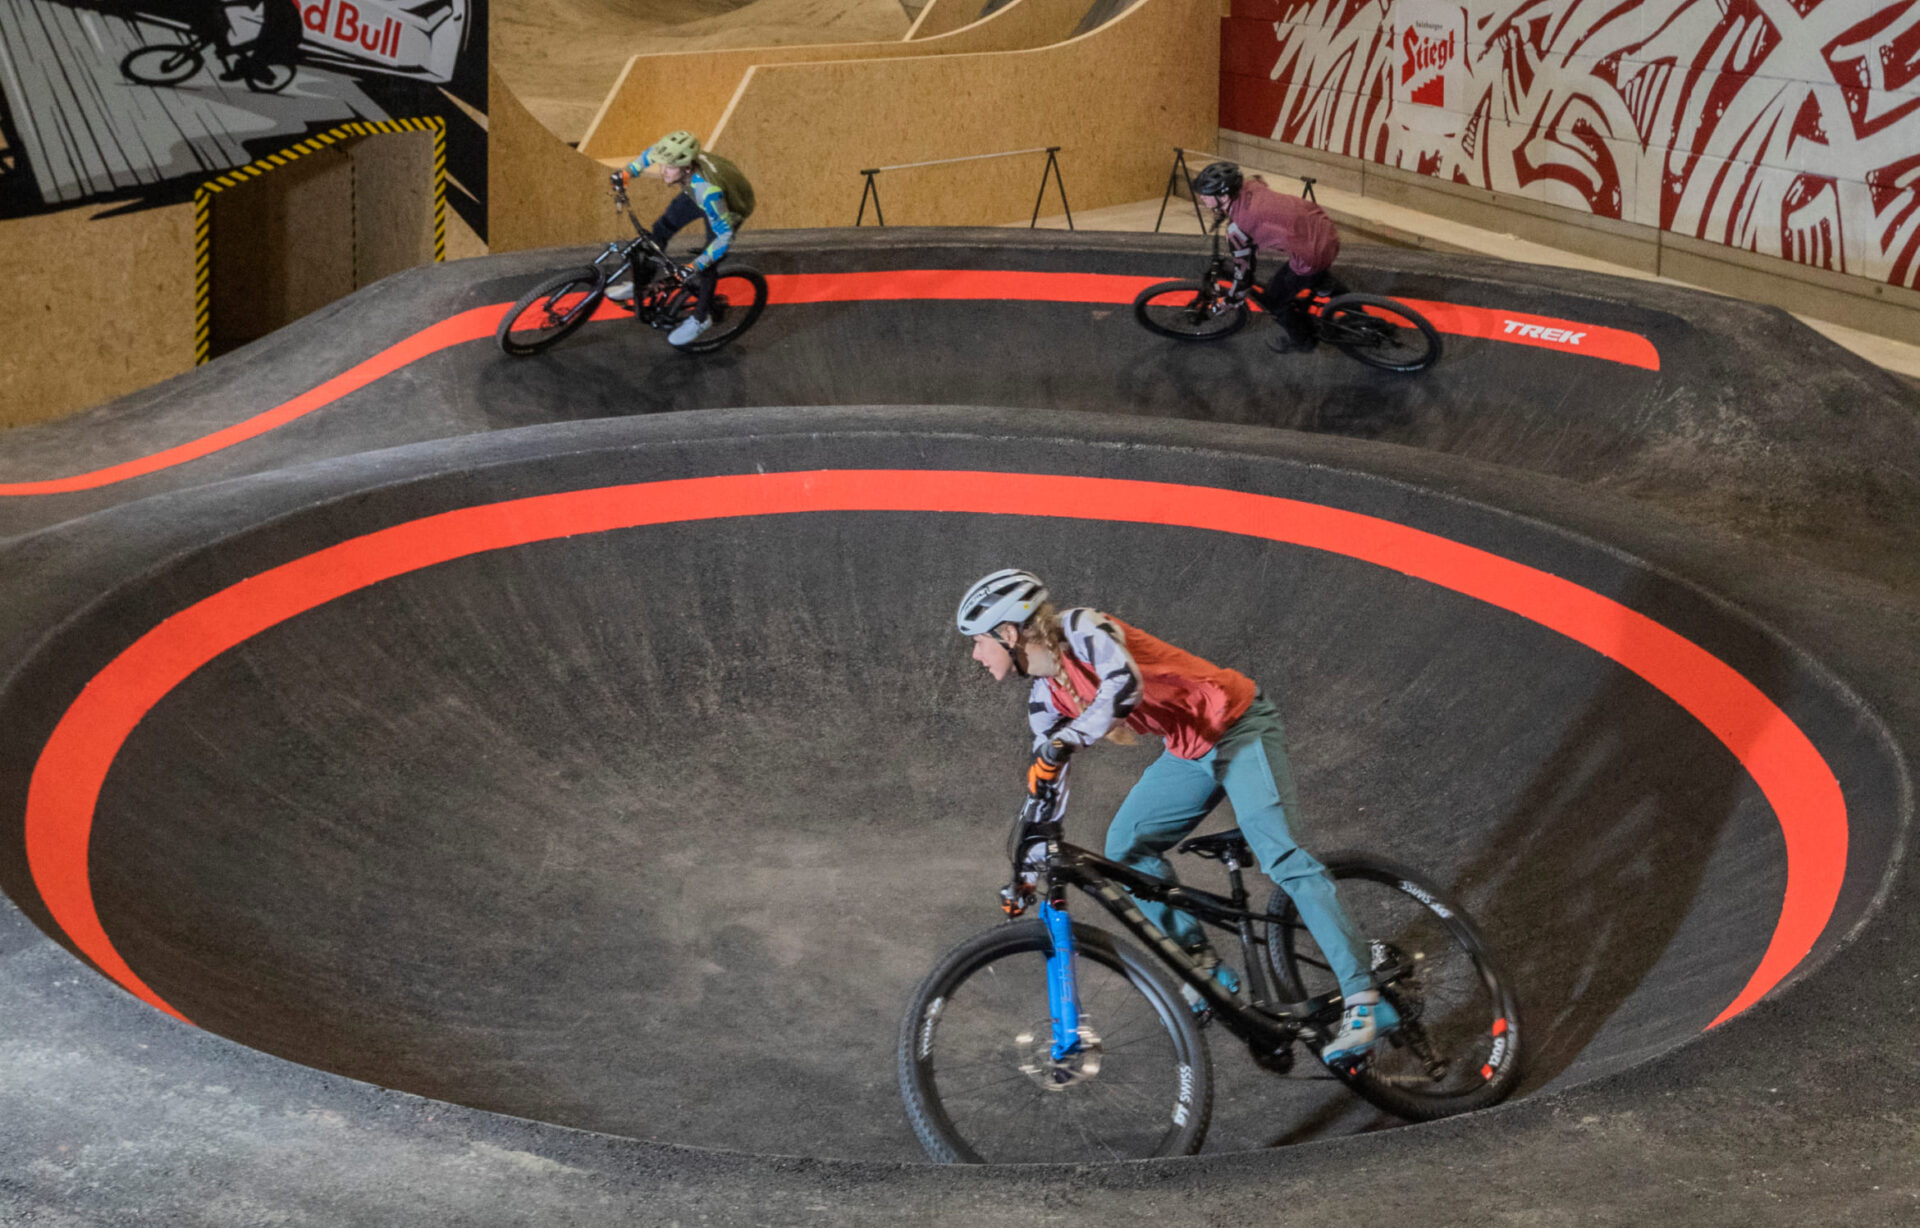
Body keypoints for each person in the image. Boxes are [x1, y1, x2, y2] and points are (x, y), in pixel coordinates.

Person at [957, 567, 1393, 1067]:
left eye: (977, 641)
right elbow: (1047, 790)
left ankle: (1364, 999)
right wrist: (1027, 875)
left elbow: (1122, 686)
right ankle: (1206, 972)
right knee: (1126, 845)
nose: (975, 654)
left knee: (1281, 856)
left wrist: (1064, 742)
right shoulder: (1044, 700)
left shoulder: (1082, 628)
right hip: (1189, 752)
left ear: (1008, 633)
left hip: (1238, 726)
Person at [610, 130, 756, 347]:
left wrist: (695, 265)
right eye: (664, 166)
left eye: (669, 168)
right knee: (661, 229)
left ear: (686, 167)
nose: (662, 172)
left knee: (708, 264)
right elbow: (653, 154)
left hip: (728, 207)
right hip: (695, 192)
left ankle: (700, 318)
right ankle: (642, 284)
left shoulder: (708, 191)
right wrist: (626, 173)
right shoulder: (684, 166)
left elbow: (723, 236)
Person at [1191, 160, 1339, 354]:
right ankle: (1332, 290)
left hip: (1312, 253)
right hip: (1323, 229)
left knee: (1274, 300)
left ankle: (1303, 341)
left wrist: (1232, 300)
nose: (1202, 197)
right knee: (1311, 274)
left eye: (1207, 195)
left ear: (1224, 195)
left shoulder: (1239, 229)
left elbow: (1244, 273)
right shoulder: (1250, 185)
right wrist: (1226, 211)